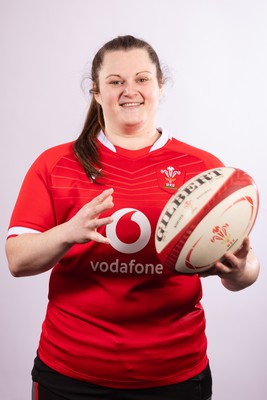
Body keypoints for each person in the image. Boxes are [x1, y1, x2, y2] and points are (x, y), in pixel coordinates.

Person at [6, 35, 260, 400]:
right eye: (115, 81)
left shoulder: (203, 170)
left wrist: (239, 271)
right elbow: (17, 260)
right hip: (71, 373)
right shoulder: (56, 164)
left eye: (142, 79)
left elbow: (245, 271)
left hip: (175, 374)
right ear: (95, 92)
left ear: (160, 86)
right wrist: (68, 232)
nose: (130, 90)